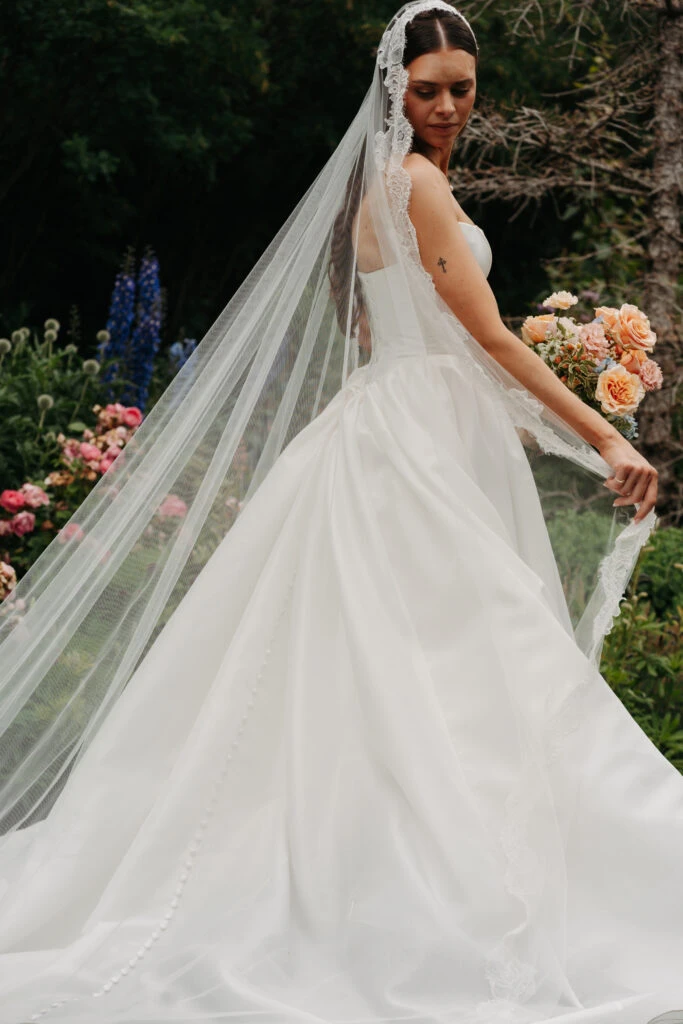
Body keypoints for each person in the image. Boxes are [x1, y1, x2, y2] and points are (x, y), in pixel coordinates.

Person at [0, 2, 681, 1022]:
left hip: (386, 425)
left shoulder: (379, 189)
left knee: (388, 669)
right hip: (408, 445)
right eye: (428, 88)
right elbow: (488, 341)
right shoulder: (415, 187)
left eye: (460, 85)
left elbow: (402, 333)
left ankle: (378, 871)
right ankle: (443, 886)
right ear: (392, 91)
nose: (448, 106)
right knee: (473, 655)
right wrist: (608, 435)